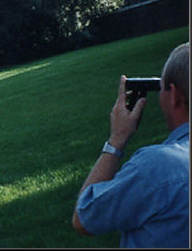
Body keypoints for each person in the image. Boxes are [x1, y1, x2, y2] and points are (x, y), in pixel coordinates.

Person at [72, 43, 189, 248]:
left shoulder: (158, 167)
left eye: (161, 89)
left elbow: (85, 218)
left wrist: (117, 138)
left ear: (175, 96)